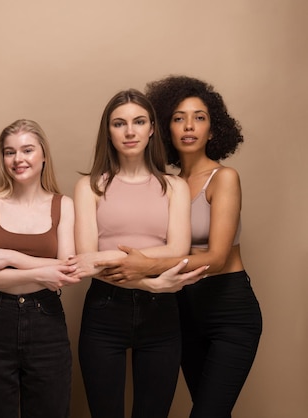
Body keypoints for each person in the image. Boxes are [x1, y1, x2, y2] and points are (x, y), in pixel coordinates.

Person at [98, 76, 262, 417]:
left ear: (214, 130)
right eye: (178, 117)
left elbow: (216, 258)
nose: (189, 126)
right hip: (182, 309)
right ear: (165, 129)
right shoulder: (167, 184)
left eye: (200, 117)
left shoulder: (225, 178)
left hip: (228, 309)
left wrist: (146, 265)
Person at [72, 89, 194, 418]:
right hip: (104, 310)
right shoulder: (89, 187)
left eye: (139, 122)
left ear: (152, 128)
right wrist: (148, 282)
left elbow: (178, 250)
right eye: (119, 123)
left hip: (162, 314)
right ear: (108, 131)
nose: (129, 131)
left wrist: (109, 256)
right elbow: (86, 259)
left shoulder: (175, 187)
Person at [0, 119, 79, 418]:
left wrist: (7, 256)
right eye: (9, 152)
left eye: (27, 150)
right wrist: (39, 273)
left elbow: (68, 269)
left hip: (47, 321)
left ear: (43, 155)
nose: (18, 159)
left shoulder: (63, 205)